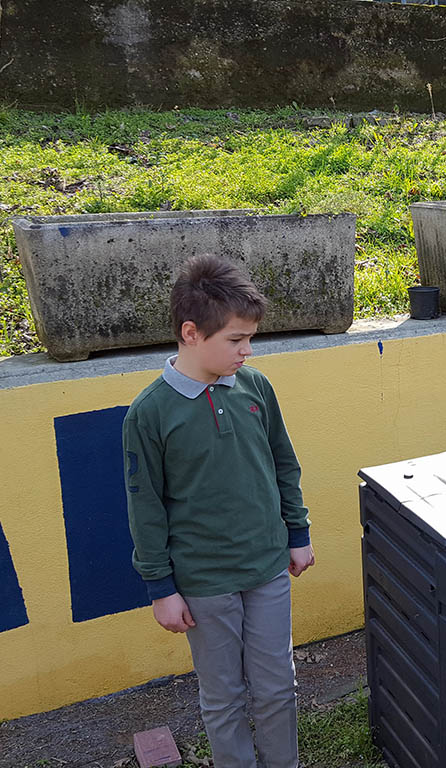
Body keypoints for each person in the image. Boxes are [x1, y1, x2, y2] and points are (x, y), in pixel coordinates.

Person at [123, 255, 314, 768]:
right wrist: (161, 588)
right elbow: (145, 509)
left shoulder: (256, 387)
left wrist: (297, 531)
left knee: (278, 687)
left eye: (250, 338)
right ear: (190, 333)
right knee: (223, 696)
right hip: (204, 582)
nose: (246, 351)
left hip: (268, 566)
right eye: (235, 340)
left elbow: (283, 462)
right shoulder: (150, 413)